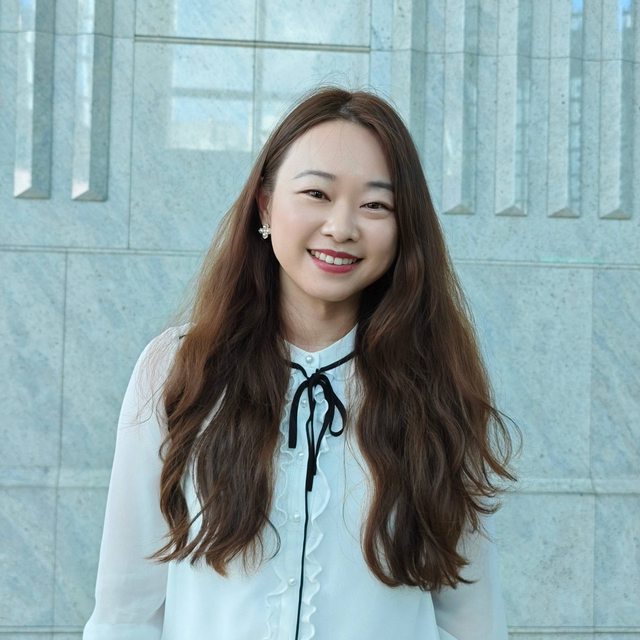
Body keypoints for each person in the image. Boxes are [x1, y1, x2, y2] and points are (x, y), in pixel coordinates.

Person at [83, 87, 515, 640]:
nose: (341, 227)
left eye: (375, 205)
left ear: (404, 226)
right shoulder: (178, 368)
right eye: (316, 193)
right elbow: (126, 612)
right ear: (265, 205)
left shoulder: (437, 385)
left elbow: (471, 618)